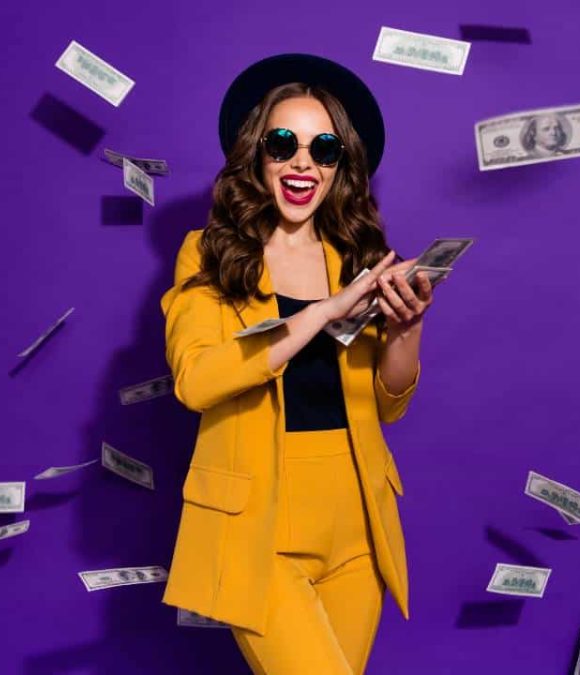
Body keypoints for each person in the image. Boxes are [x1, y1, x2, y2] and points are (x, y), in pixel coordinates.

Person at [158, 53, 435, 674]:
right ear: (257, 154)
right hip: (259, 529)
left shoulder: (356, 258)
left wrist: (407, 329)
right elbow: (197, 381)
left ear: (341, 167)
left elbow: (389, 404)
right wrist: (319, 312)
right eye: (284, 143)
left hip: (357, 525)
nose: (302, 162)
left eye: (324, 149)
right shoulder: (209, 256)